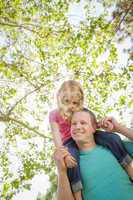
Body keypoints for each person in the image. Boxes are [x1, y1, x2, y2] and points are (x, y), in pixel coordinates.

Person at [49, 80, 132, 199]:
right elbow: (55, 134)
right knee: (72, 162)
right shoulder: (54, 114)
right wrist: (63, 155)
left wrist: (117, 127)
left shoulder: (108, 145)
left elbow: (93, 122)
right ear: (59, 99)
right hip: (67, 144)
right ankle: (78, 195)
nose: (71, 106)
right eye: (74, 124)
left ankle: (128, 167)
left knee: (112, 137)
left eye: (74, 103)